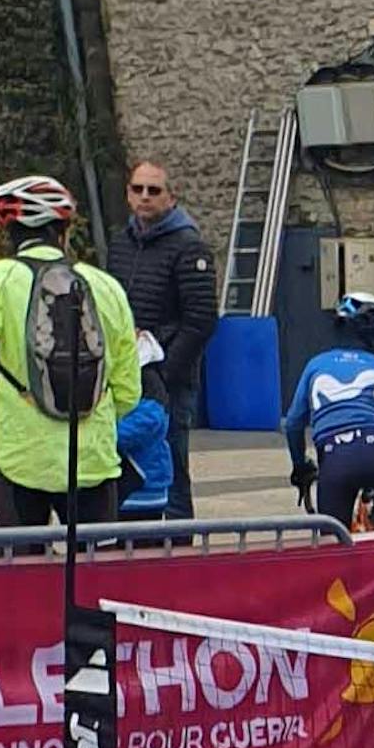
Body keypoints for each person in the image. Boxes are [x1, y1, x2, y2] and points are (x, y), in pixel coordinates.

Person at [0, 174, 144, 527]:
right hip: (92, 464)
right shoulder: (106, 287)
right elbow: (129, 390)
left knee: (19, 576)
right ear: (64, 230)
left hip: (19, 460)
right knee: (97, 576)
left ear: (11, 231)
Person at [283, 293, 374, 527]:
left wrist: (300, 466)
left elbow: (293, 423)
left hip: (333, 462)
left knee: (334, 539)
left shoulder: (315, 365)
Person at [116, 162, 215, 502]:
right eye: (138, 189)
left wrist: (165, 373)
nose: (145, 196)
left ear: (171, 198)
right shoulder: (121, 243)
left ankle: (178, 544)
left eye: (154, 190)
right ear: (128, 194)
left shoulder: (189, 246)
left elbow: (201, 321)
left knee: (170, 467)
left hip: (169, 380)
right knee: (126, 466)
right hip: (125, 376)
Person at [116, 335, 182, 519]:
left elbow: (139, 426)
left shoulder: (149, 391)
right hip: (130, 489)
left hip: (143, 489)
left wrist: (102, 431)